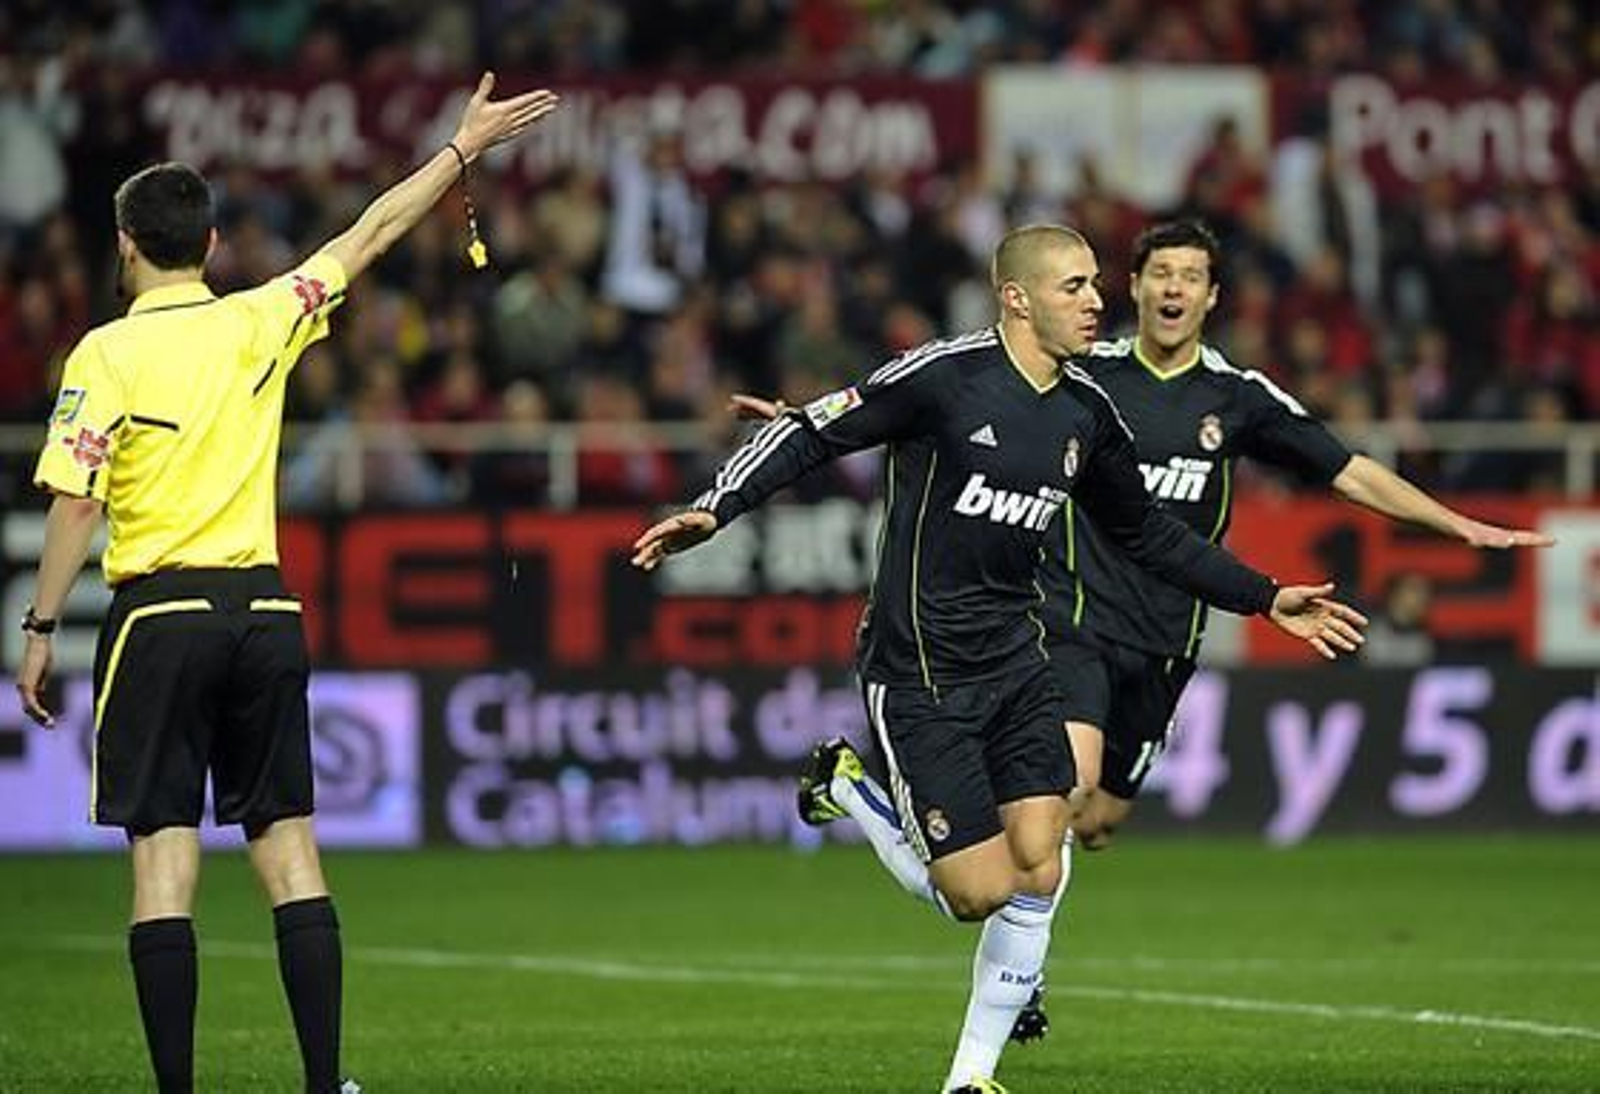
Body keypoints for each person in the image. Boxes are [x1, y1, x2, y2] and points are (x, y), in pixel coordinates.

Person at [632, 223, 1367, 1094]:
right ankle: (850, 790)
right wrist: (713, 509)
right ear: (1017, 298)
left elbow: (1147, 534)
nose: (1098, 302)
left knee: (1043, 858)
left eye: (1097, 285)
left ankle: (968, 1081)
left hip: (1019, 661)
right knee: (976, 892)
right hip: (921, 671)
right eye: (1075, 288)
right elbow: (815, 432)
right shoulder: (945, 379)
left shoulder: (1087, 411)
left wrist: (1265, 595)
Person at [13, 73, 559, 1094]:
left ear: (126, 246)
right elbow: (371, 233)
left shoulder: (106, 352)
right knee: (290, 852)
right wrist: (458, 150)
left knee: (163, 864)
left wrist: (39, 624)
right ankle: (322, 1083)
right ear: (213, 246)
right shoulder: (262, 318)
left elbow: (77, 504)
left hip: (161, 614)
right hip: (264, 610)